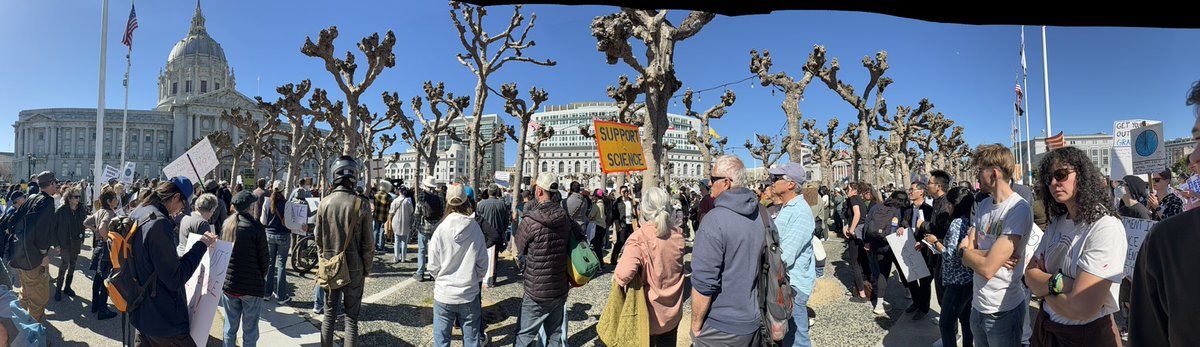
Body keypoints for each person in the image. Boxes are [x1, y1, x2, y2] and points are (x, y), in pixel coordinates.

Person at [1021, 146, 1125, 346]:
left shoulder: (1105, 226)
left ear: (1082, 175)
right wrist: (1062, 284)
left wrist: (1044, 289)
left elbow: (1082, 307)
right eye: (1048, 178)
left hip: (1086, 336)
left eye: (1061, 174)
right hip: (1047, 330)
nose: (1053, 183)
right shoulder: (1056, 223)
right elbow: (1029, 275)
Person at [958, 144, 1033, 347]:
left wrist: (968, 252)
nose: (977, 177)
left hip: (1003, 310)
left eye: (980, 171)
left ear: (995, 173)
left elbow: (987, 269)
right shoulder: (983, 205)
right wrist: (973, 252)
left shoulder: (1018, 209)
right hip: (978, 306)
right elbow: (965, 250)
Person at [129, 176, 219, 345]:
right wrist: (202, 245)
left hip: (141, 309)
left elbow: (148, 258)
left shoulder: (141, 210)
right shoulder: (159, 223)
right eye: (183, 205)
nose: (180, 211)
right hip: (162, 319)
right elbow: (175, 278)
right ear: (176, 197)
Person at [690, 155, 766, 346]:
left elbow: (704, 282)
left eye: (713, 179)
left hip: (721, 325)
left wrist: (695, 325)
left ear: (726, 183)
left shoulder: (714, 220)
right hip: (755, 318)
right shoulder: (763, 214)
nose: (709, 183)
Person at [613, 186, 685, 346]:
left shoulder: (639, 237)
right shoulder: (678, 235)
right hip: (672, 314)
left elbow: (622, 275)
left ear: (643, 209)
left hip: (647, 315)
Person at [315, 156, 374, 347]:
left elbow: (317, 238)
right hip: (355, 267)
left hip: (330, 265)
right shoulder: (361, 203)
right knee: (351, 319)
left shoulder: (324, 203)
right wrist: (367, 268)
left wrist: (323, 259)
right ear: (354, 176)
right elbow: (368, 244)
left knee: (329, 314)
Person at [513, 173, 572, 347]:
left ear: (538, 190)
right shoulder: (565, 218)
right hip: (559, 287)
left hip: (536, 289)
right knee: (554, 335)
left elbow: (519, 247)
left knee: (524, 335)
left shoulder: (531, 220)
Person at [428, 183, 488, 347]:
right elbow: (483, 262)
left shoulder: (440, 229)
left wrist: (441, 277)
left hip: (444, 293)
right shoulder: (474, 227)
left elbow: (432, 265)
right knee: (471, 340)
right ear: (466, 201)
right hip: (469, 292)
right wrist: (474, 278)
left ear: (447, 201)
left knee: (442, 341)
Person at [768, 163, 817, 347]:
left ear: (790, 184)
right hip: (786, 281)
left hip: (792, 284)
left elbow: (785, 255)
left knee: (796, 338)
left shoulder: (800, 211)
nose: (772, 182)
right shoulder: (789, 207)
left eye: (777, 178)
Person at [220, 191, 269, 347]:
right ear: (250, 206)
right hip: (251, 287)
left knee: (229, 328)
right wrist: (262, 276)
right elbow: (264, 259)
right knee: (250, 331)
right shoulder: (256, 227)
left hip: (229, 285)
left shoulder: (227, 225)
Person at [10, 171, 60, 322]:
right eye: (55, 183)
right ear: (51, 184)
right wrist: (44, 255)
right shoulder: (47, 201)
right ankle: (31, 338)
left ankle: (17, 328)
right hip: (34, 259)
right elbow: (43, 232)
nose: (56, 186)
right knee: (38, 300)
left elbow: (13, 220)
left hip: (20, 255)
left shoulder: (31, 197)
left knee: (25, 293)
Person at [930, 186, 976, 347]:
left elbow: (951, 256)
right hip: (969, 279)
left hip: (956, 282)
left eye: (949, 203)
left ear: (954, 205)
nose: (947, 207)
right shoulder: (971, 221)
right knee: (966, 322)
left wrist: (935, 243)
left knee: (946, 324)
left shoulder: (957, 223)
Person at [905, 181, 937, 320]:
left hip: (924, 249)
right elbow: (903, 223)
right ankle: (916, 302)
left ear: (921, 192)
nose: (910, 192)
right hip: (908, 247)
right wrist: (901, 227)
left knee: (924, 281)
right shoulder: (907, 209)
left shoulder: (929, 210)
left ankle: (923, 308)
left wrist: (924, 242)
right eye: (910, 190)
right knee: (910, 278)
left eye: (912, 190)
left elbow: (933, 230)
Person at [51, 184, 87, 302]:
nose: (78, 199)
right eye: (76, 197)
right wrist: (56, 244)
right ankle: (58, 290)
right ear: (69, 198)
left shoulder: (81, 209)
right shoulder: (61, 210)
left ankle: (67, 287)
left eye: (79, 197)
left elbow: (84, 223)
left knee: (73, 264)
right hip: (64, 242)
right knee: (64, 264)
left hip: (76, 241)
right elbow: (53, 228)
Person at [260, 181, 292, 303]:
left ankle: (267, 293)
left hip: (269, 234)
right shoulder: (287, 204)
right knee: (282, 265)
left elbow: (263, 221)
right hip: (283, 235)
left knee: (270, 264)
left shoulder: (267, 202)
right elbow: (289, 222)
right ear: (284, 189)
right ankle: (281, 296)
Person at [475, 185, 509, 288]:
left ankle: (482, 278)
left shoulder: (481, 204)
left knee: (481, 255)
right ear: (497, 192)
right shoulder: (502, 204)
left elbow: (477, 220)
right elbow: (506, 220)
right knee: (494, 257)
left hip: (484, 234)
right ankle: (492, 280)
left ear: (488, 192)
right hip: (498, 233)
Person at [414, 177, 443, 282]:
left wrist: (416, 226)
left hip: (423, 226)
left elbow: (417, 212)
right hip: (435, 226)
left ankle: (420, 273)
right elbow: (442, 211)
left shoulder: (422, 196)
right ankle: (432, 273)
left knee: (421, 250)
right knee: (433, 250)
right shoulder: (439, 196)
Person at [610, 186, 637, 267]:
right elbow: (615, 215)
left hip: (631, 224)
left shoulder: (631, 201)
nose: (625, 193)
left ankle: (628, 259)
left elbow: (635, 213)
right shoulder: (618, 202)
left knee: (631, 242)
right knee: (620, 242)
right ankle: (613, 258)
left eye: (626, 191)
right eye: (623, 191)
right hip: (622, 224)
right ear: (620, 192)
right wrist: (617, 225)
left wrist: (632, 199)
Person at [389, 187, 414, 264]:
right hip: (406, 221)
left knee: (397, 240)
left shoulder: (395, 201)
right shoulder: (408, 201)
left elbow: (391, 211)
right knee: (404, 240)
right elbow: (411, 211)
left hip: (396, 221)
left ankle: (396, 257)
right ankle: (403, 258)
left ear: (399, 192)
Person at [588, 188, 608, 268]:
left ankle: (599, 264)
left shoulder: (596, 205)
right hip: (603, 227)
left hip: (596, 227)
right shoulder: (604, 204)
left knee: (594, 246)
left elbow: (591, 216)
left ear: (596, 196)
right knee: (598, 246)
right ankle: (601, 263)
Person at [373, 181, 394, 254]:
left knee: (375, 230)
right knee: (382, 230)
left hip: (376, 215)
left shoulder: (376, 195)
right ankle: (381, 246)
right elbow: (390, 206)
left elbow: (374, 205)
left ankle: (374, 246)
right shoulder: (388, 196)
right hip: (384, 215)